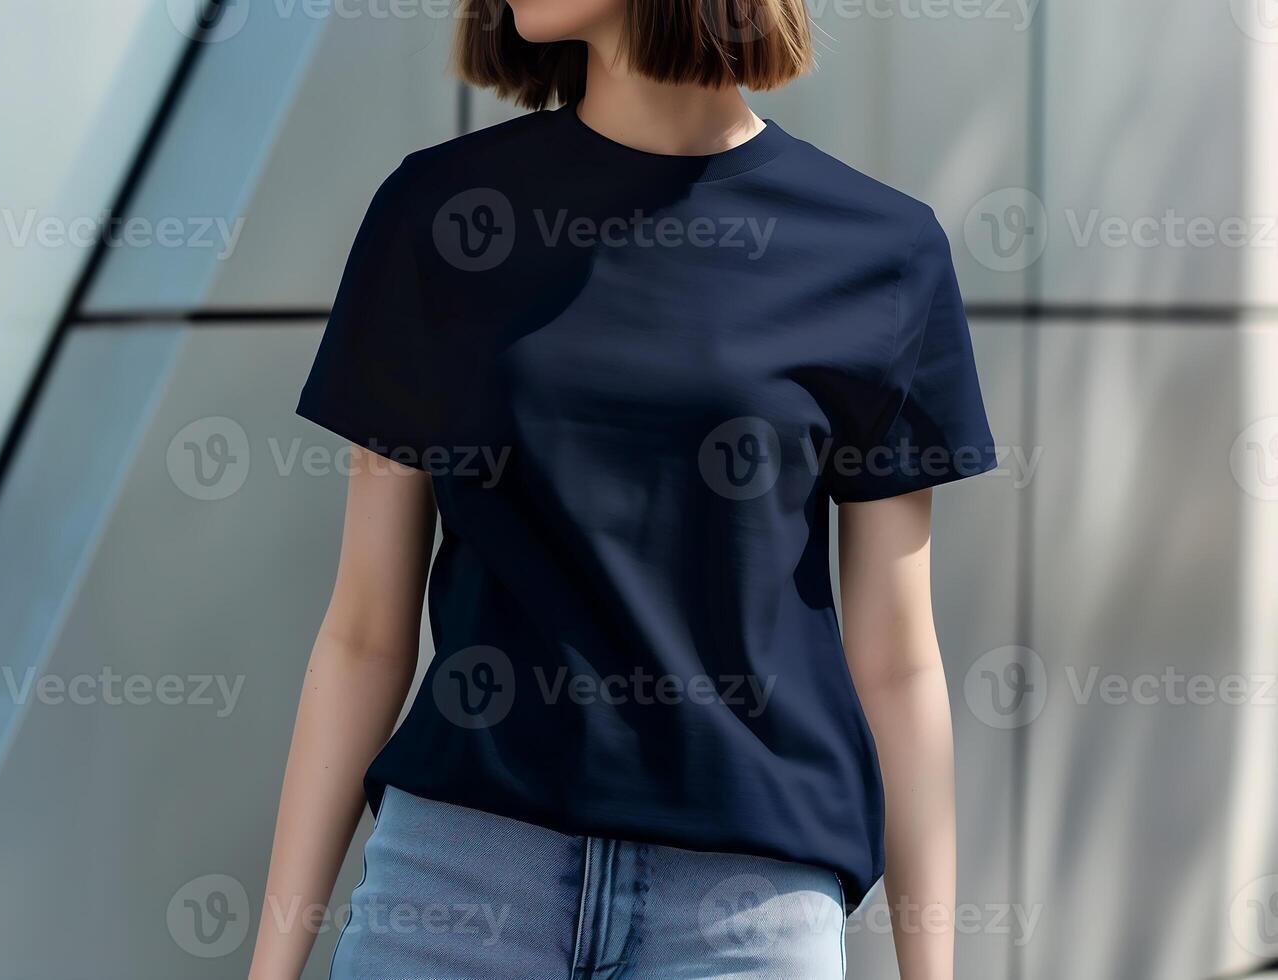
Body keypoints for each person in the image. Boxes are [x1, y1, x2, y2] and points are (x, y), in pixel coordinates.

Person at [251, 0, 997, 976]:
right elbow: (362, 631)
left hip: (740, 920)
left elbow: (897, 660)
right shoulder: (439, 217)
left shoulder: (881, 252)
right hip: (452, 892)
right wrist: (272, 965)